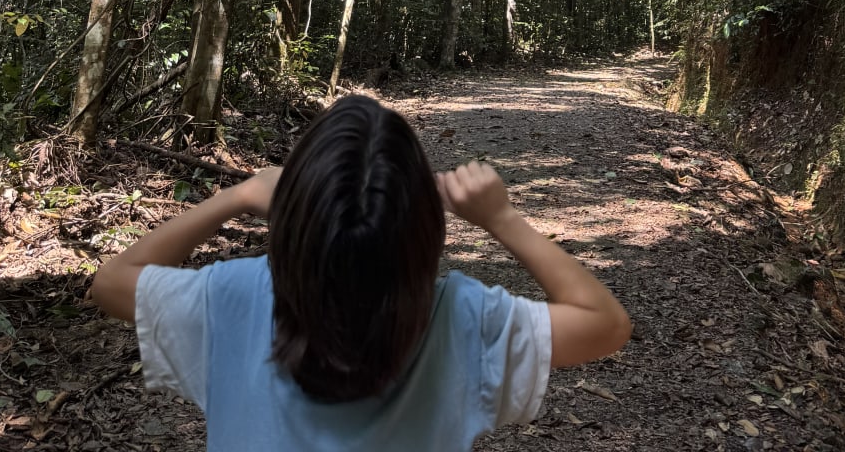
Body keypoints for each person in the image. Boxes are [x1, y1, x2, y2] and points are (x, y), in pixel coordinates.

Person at [90, 94, 631, 449]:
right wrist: (502, 219)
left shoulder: (233, 296)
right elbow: (605, 324)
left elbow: (111, 282)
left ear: (295, 223)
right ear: (424, 233)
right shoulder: (464, 321)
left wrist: (236, 196)